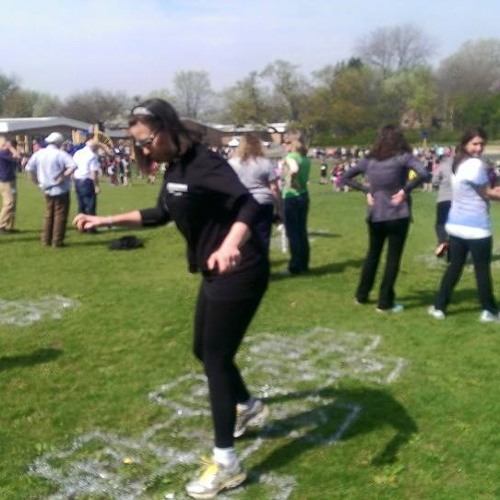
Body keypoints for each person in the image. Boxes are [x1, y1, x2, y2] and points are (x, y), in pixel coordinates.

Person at [73, 98, 270, 499]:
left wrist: (231, 244)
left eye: (146, 141)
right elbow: (160, 213)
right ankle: (248, 404)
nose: (142, 150)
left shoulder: (205, 164)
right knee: (204, 350)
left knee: (215, 359)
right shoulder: (175, 168)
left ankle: (228, 464)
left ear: (167, 129)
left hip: (240, 269)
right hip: (214, 272)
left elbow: (249, 204)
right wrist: (103, 220)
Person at [343, 125, 429, 312]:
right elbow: (424, 173)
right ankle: (384, 302)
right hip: (398, 214)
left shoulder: (369, 160)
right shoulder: (403, 157)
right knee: (392, 258)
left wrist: (366, 190)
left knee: (372, 255)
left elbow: (346, 177)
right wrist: (405, 190)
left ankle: (361, 295)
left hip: (376, 214)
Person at [428, 127, 500, 322]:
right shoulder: (476, 165)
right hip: (476, 227)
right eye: (475, 143)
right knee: (482, 270)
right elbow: (488, 193)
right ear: (465, 143)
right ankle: (490, 311)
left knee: (454, 267)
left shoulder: (457, 162)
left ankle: (439, 306)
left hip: (457, 225)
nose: (479, 148)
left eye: (482, 144)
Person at [229, 133, 281, 252]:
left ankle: (245, 264)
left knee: (242, 236)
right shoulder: (265, 162)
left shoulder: (233, 163)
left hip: (243, 202)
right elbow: (274, 188)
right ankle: (261, 264)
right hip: (263, 201)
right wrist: (279, 208)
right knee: (263, 236)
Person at [25, 132, 77, 247]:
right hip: (60, 188)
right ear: (59, 142)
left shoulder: (39, 154)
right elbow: (73, 166)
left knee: (48, 214)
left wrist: (36, 182)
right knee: (60, 214)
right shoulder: (60, 154)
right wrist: (63, 176)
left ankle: (46, 239)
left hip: (46, 187)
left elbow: (29, 168)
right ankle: (57, 240)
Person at [281, 130, 311, 274]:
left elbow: (293, 169)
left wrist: (292, 181)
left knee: (292, 233)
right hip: (304, 196)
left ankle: (295, 266)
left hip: (292, 197)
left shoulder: (291, 156)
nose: (283, 145)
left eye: (286, 142)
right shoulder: (305, 158)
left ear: (292, 143)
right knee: (301, 232)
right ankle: (304, 264)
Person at [72, 139, 100, 228]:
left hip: (77, 180)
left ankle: (80, 225)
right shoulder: (92, 155)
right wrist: (96, 186)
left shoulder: (77, 153)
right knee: (90, 205)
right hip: (87, 181)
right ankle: (90, 227)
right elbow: (93, 172)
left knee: (81, 206)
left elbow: (73, 169)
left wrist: (73, 184)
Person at [432, 154, 453, 258]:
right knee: (453, 227)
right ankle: (451, 257)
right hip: (458, 200)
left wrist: (437, 185)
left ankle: (442, 241)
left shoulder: (442, 166)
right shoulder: (458, 166)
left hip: (443, 199)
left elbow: (434, 181)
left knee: (440, 223)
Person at [0, 138, 20, 234]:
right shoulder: (2, 153)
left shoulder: (6, 153)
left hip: (11, 180)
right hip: (5, 181)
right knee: (9, 203)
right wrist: (11, 147)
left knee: (13, 204)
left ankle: (8, 226)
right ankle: (1, 225)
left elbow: (17, 158)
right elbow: (17, 156)